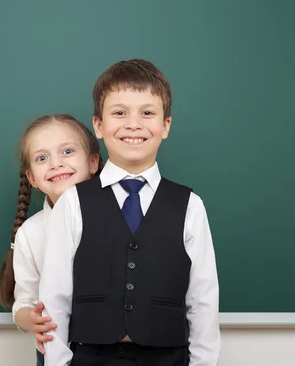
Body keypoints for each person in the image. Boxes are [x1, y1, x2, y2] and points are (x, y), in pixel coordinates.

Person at [39, 59, 221, 366]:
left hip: (169, 358)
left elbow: (203, 301)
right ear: (98, 125)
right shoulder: (72, 203)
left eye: (147, 113)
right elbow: (55, 298)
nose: (133, 124)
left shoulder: (189, 205)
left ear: (165, 126)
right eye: (119, 112)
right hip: (89, 357)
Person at [0, 114, 103, 366]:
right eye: (42, 158)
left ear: (93, 162)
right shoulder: (31, 233)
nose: (56, 163)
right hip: (56, 349)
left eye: (67, 151)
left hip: (112, 348)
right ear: (32, 178)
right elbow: (24, 300)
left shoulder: (120, 218)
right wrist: (30, 319)